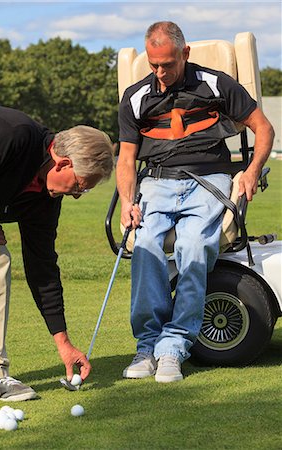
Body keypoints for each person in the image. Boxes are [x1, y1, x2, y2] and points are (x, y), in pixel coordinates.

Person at [116, 22, 274, 383]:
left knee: (192, 246)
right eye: (154, 65)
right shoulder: (136, 96)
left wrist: (250, 171)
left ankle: (173, 348)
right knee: (147, 247)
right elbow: (126, 159)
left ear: (185, 54)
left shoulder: (216, 83)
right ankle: (147, 346)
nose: (160, 73)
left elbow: (263, 128)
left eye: (168, 64)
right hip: (156, 182)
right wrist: (127, 201)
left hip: (210, 180)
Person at [0, 104, 114, 400]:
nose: (78, 195)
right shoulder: (11, 136)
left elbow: (42, 269)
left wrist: (63, 342)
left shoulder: (45, 200)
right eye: (80, 185)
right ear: (63, 163)